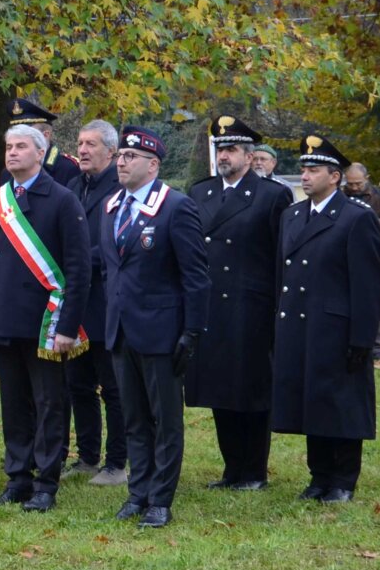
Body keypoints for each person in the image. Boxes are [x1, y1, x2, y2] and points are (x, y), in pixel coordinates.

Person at [0, 124, 91, 512]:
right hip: (4, 320)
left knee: (49, 403)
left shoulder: (62, 199)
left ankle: (45, 483)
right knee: (14, 403)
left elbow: (78, 267)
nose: (12, 153)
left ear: (41, 153)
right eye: (8, 147)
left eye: (21, 146)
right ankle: (17, 478)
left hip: (46, 322)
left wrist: (68, 327)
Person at [96, 126, 208, 528]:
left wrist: (192, 331)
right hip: (122, 330)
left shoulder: (175, 207)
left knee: (165, 421)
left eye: (130, 157)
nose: (122, 162)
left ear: (153, 164)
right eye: (120, 155)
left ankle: (161, 498)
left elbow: (196, 276)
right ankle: (138, 492)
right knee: (133, 418)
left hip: (162, 332)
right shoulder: (111, 207)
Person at [271, 134, 380, 503]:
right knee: (312, 402)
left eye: (314, 169)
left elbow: (368, 286)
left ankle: (343, 480)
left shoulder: (355, 218)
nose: (304, 176)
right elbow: (282, 275)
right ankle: (319, 476)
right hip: (301, 326)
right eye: (303, 169)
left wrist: (362, 340)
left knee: (342, 404)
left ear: (335, 177)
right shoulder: (292, 216)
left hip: (337, 327)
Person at [183, 116, 291, 491]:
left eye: (230, 149)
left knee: (252, 388)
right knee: (219, 389)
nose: (223, 156)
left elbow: (281, 257)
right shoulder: (201, 192)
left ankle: (254, 470)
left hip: (251, 305)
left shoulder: (272, 196)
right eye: (220, 149)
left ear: (249, 156)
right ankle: (232, 469)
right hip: (211, 304)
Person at [63, 119, 128, 487]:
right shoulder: (74, 187)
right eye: (80, 142)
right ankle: (87, 456)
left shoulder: (119, 190)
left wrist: (75, 262)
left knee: (113, 387)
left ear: (111, 151)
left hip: (105, 303)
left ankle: (117, 462)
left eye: (91, 144)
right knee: (78, 385)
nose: (83, 150)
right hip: (76, 304)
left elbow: (115, 247)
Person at [343, 162, 380, 359]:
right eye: (351, 183)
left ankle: (376, 346)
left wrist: (367, 218)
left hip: (371, 254)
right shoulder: (340, 194)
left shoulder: (379, 196)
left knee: (372, 301)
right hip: (344, 253)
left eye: (358, 183)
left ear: (367, 178)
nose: (354, 187)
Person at [10, 97, 82, 188]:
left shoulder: (67, 168)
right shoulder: (10, 170)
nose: (19, 138)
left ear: (46, 135)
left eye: (26, 133)